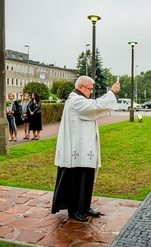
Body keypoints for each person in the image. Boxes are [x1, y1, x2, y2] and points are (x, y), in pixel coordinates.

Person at [52, 76, 121, 222]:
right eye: (90, 89)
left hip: (84, 148)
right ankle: (75, 210)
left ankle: (84, 207)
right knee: (77, 180)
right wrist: (112, 93)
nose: (91, 91)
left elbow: (94, 109)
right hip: (76, 150)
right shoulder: (75, 100)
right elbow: (94, 106)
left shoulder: (80, 100)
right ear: (81, 87)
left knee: (87, 178)